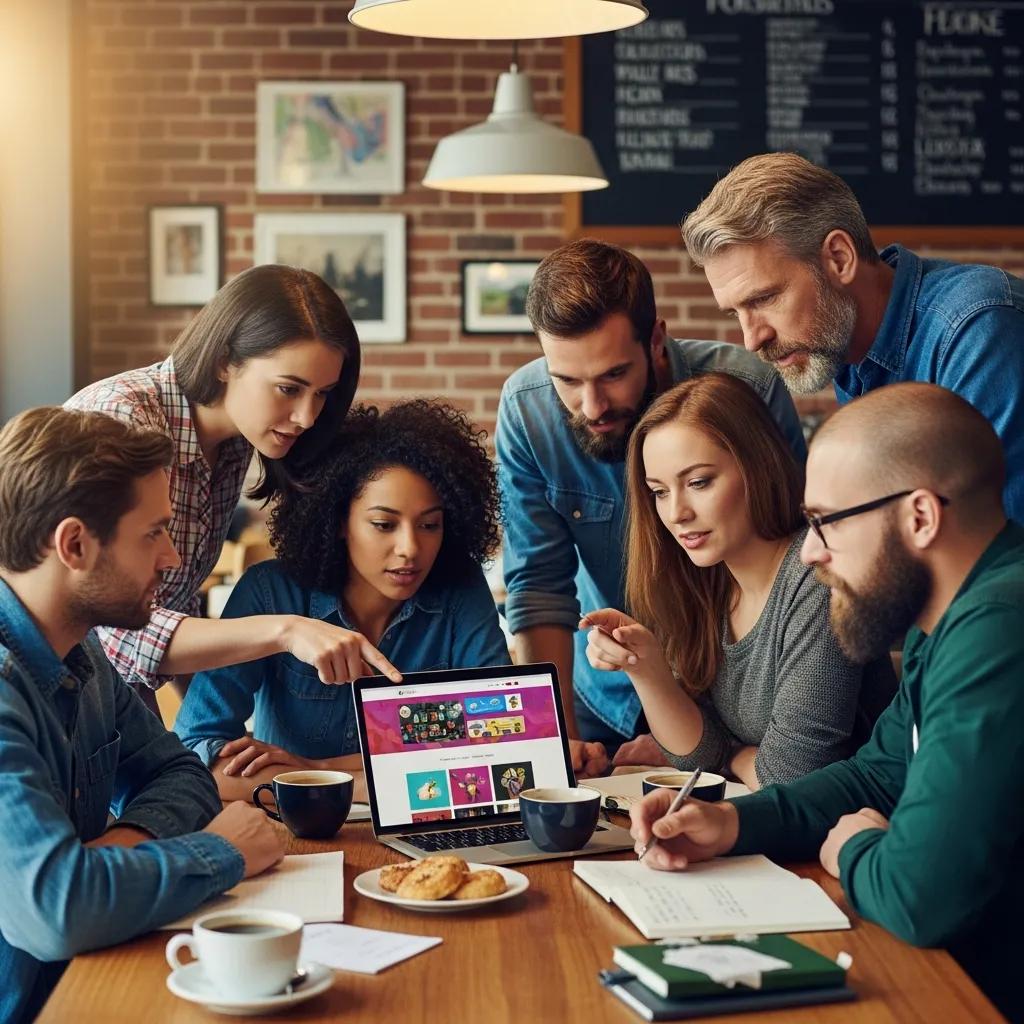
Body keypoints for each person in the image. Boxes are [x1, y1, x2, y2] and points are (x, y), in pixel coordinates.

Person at [628, 383, 1024, 1023]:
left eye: (827, 521)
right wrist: (733, 825)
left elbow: (920, 897)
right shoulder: (943, 618)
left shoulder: (998, 628)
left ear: (919, 516)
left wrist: (854, 853)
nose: (810, 551)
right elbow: (877, 773)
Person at [0, 408, 285, 1024]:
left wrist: (122, 845)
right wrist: (217, 852)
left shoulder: (83, 650)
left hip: (94, 974)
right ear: (74, 544)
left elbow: (180, 772)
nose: (175, 557)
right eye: (153, 533)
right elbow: (56, 911)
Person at [495, 239, 806, 777]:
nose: (591, 407)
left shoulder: (744, 390)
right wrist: (556, 740)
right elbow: (539, 588)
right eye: (566, 380)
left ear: (656, 340)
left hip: (725, 700)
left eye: (613, 375)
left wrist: (692, 731)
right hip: (600, 696)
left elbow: (789, 562)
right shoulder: (527, 412)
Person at [66, 264, 400, 714]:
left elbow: (173, 608)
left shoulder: (232, 445)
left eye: (322, 394)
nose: (306, 417)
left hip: (110, 700)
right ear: (225, 361)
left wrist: (206, 731)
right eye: (288, 388)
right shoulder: (120, 420)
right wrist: (287, 631)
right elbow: (118, 627)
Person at [174, 400, 510, 803]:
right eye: (384, 525)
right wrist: (373, 781)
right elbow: (194, 760)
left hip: (424, 828)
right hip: (294, 835)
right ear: (337, 521)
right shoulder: (270, 593)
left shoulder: (460, 590)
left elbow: (501, 739)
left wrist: (311, 770)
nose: (410, 548)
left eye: (430, 525)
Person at [582, 373, 895, 789]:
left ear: (756, 466)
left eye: (698, 482)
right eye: (659, 491)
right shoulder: (703, 583)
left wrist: (727, 755)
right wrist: (645, 669)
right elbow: (694, 754)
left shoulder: (816, 577)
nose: (676, 513)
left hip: (852, 831)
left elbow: (792, 778)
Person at [680, 151, 1024, 521]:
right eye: (736, 313)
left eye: (764, 299)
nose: (752, 339)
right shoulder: (850, 350)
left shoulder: (978, 327)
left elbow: (996, 553)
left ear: (840, 258)